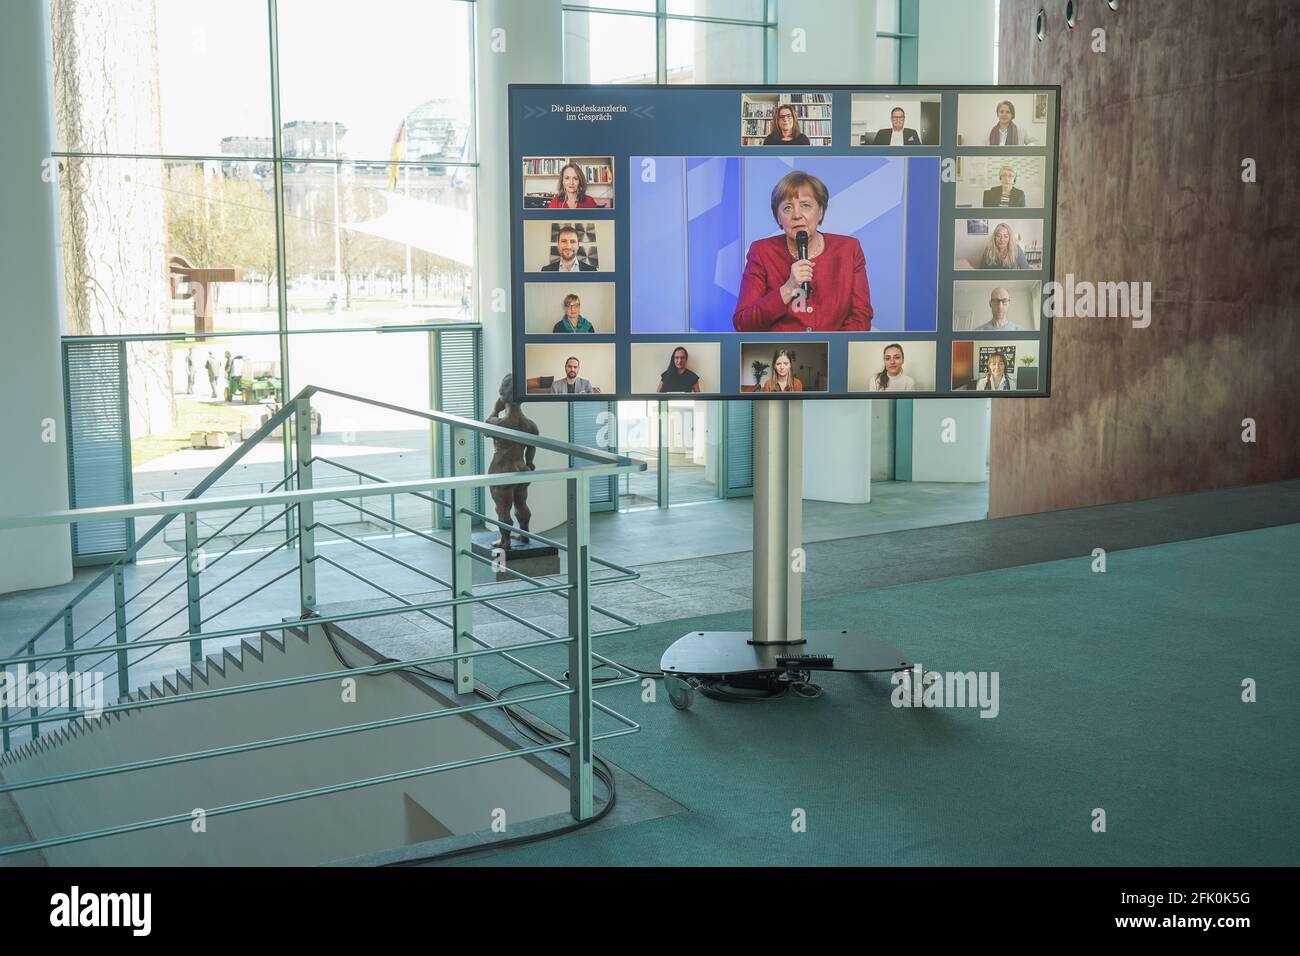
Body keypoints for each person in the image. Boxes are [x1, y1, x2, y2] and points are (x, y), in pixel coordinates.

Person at [732, 170, 873, 332]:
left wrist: (833, 351)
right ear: (778, 218)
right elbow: (743, 323)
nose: (797, 215)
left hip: (833, 353)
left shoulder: (848, 250)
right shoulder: (762, 252)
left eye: (806, 205)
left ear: (820, 212)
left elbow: (860, 318)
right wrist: (788, 288)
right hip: (779, 354)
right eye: (787, 208)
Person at [485, 374, 539, 552]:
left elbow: (486, 428)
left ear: (502, 395)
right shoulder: (530, 424)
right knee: (521, 503)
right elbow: (531, 449)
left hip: (503, 468)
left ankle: (505, 542)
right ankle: (525, 534)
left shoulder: (498, 422)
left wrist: (495, 408)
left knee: (503, 509)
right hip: (522, 467)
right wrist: (530, 463)